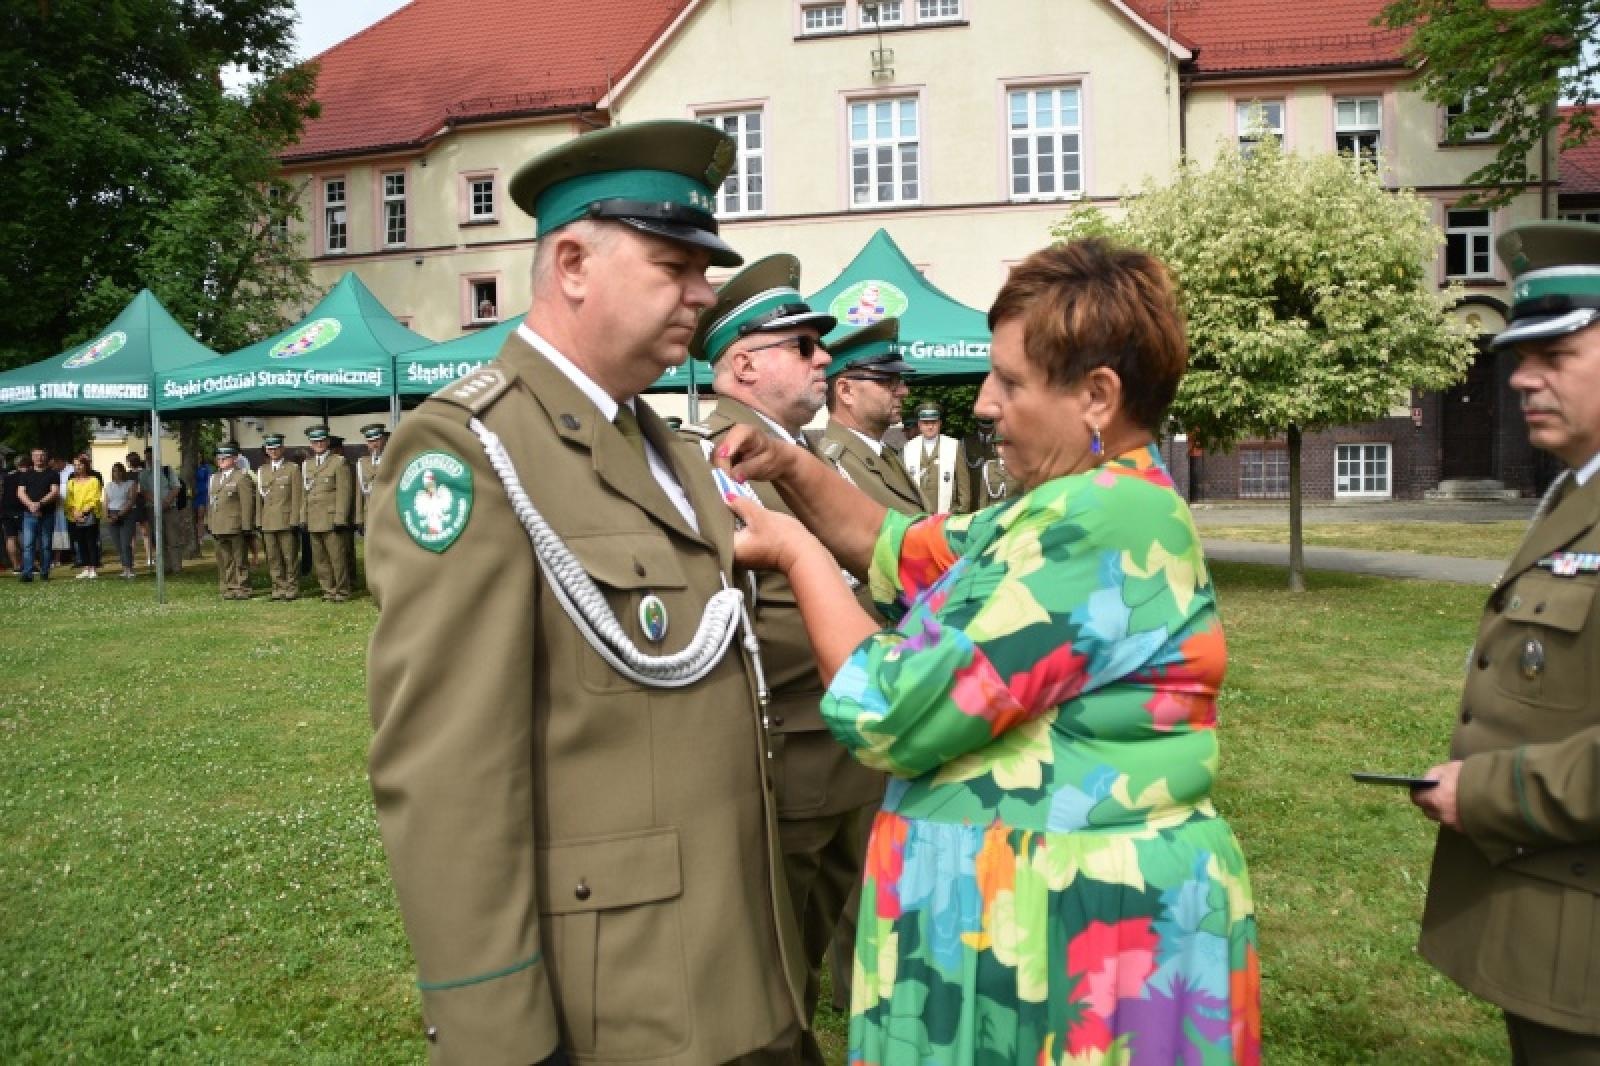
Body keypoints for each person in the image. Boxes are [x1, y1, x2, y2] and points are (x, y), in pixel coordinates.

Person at [715, 238, 1260, 1064]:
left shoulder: (1103, 521)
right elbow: (888, 541)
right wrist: (790, 464)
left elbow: (891, 708)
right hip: (1030, 916)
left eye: (1009, 380)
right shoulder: (1058, 504)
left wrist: (797, 556)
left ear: (1097, 397)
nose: (983, 403)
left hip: (1076, 933)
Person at [365, 119, 804, 1066]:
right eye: (674, 265)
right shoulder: (469, 452)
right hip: (620, 1002)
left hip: (741, 968)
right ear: (571, 263)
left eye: (706, 266)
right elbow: (448, 772)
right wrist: (497, 1032)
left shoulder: (671, 451)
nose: (704, 292)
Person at [1411, 220, 1600, 1062]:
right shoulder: (1575, 490)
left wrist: (1492, 793)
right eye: (1522, 354)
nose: (1521, 376)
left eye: (1556, 356)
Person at [680, 254, 865, 1066]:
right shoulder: (712, 457)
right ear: (745, 363)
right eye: (803, 344)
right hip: (786, 759)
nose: (824, 359)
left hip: (844, 748)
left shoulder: (795, 452)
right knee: (769, 989)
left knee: (811, 961)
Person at [808, 316, 924, 1012]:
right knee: (857, 843)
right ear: (846, 390)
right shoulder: (833, 459)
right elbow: (855, 563)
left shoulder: (879, 456)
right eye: (889, 380)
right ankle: (859, 991)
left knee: (874, 829)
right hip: (865, 654)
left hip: (895, 658)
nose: (902, 391)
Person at [300, 426, 353, 602]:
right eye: (315, 441)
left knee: (337, 557)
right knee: (320, 559)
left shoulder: (339, 462)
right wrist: (303, 517)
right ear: (310, 444)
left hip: (331, 518)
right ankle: (328, 590)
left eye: (322, 440)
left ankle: (342, 591)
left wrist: (340, 518)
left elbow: (344, 493)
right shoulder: (307, 464)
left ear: (328, 442)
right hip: (314, 518)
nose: (319, 444)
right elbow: (304, 493)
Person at [256, 433, 304, 601]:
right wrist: (258, 520)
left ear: (283, 448)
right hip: (268, 520)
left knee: (289, 556)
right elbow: (259, 500)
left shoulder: (292, 469)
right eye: (270, 448)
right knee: (273, 557)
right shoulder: (262, 470)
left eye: (277, 448)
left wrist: (295, 519)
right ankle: (278, 587)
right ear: (266, 450)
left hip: (286, 520)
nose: (274, 451)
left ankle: (291, 588)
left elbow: (298, 496)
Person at [900, 402, 971, 514]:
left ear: (940, 423)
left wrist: (961, 512)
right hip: (917, 515)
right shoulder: (908, 448)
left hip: (947, 514)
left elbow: (963, 485)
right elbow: (903, 485)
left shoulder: (953, 445)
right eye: (926, 423)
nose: (930, 426)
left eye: (934, 422)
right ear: (919, 424)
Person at [206, 444, 257, 600]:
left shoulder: (241, 477)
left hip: (236, 525)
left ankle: (242, 588)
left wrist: (247, 526)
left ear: (234, 459)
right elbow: (211, 503)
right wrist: (209, 523)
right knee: (224, 560)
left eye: (225, 457)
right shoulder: (214, 478)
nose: (221, 460)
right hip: (218, 525)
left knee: (239, 559)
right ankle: (228, 587)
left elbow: (247, 503)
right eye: (219, 457)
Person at [16, 448, 60, 582]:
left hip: (47, 514)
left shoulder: (52, 474)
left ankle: (44, 572)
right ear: (32, 457)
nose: (39, 458)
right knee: (28, 544)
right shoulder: (26, 474)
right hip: (29, 515)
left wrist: (39, 504)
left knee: (45, 545)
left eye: (42, 455)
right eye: (36, 455)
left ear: (46, 457)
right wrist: (31, 505)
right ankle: (27, 573)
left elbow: (54, 492)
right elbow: (20, 492)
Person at [141, 447, 185, 573]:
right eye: (147, 457)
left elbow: (176, 487)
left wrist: (166, 502)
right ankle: (164, 567)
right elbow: (144, 491)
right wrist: (157, 503)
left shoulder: (167, 470)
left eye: (151, 456)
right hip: (152, 509)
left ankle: (177, 567)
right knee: (159, 539)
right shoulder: (144, 474)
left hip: (170, 508)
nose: (149, 459)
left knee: (173, 539)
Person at [961, 414, 1022, 507]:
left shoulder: (1020, 465)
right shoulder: (966, 443)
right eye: (999, 444)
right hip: (974, 501)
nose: (1002, 447)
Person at [64, 454, 104, 579]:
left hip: (90, 513)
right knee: (80, 542)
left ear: (85, 465)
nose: (78, 467)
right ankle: (85, 567)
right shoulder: (71, 482)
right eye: (75, 465)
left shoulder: (93, 480)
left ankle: (93, 567)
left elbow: (95, 498)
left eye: (80, 464)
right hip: (75, 515)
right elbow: (69, 499)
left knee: (91, 542)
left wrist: (84, 512)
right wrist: (75, 512)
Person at [103, 462, 138, 578]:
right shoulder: (109, 486)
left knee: (125, 543)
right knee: (118, 545)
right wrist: (106, 516)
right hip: (112, 513)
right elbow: (106, 502)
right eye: (114, 471)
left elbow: (131, 500)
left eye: (118, 470)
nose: (116, 473)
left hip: (126, 514)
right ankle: (124, 568)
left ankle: (129, 568)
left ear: (123, 472)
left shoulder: (130, 484)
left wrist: (119, 515)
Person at [125, 451, 152, 569]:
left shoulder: (143, 473)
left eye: (128, 461)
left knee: (145, 532)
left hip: (141, 503)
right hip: (132, 504)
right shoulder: (128, 474)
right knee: (132, 534)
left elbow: (144, 488)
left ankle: (149, 557)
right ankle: (131, 559)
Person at [2, 453, 28, 571]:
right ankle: (28, 563)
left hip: (5, 510)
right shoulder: (26, 476)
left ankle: (15, 565)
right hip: (21, 509)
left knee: (10, 537)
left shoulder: (6, 476)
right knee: (26, 537)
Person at [192, 455, 213, 557]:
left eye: (199, 457)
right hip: (193, 495)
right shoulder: (192, 468)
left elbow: (209, 480)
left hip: (202, 494)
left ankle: (200, 537)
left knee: (200, 517)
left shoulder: (205, 468)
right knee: (193, 517)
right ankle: (193, 536)